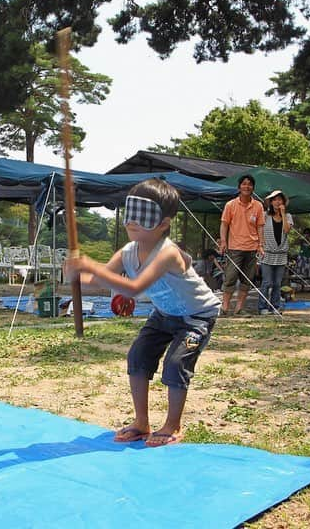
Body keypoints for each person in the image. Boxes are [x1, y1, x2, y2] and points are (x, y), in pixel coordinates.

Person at [65, 178, 220, 447]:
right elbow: (100, 280)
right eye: (130, 213)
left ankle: (172, 425)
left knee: (176, 363)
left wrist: (90, 265)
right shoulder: (128, 252)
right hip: (163, 314)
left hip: (197, 317)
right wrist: (75, 274)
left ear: (164, 223)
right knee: (138, 356)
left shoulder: (168, 253)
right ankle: (141, 422)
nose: (132, 222)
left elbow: (135, 287)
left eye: (143, 215)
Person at [219, 174, 264, 315]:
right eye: (244, 184)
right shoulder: (230, 205)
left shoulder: (258, 206)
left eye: (249, 184)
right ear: (239, 187)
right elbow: (224, 224)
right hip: (234, 247)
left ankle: (239, 308)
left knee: (247, 280)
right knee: (230, 278)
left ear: (253, 188)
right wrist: (223, 241)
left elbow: (260, 227)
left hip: (252, 248)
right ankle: (225, 308)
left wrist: (261, 245)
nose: (246, 186)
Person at [257, 190, 292, 315]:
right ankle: (262, 307)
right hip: (267, 252)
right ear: (271, 202)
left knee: (277, 283)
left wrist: (282, 213)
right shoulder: (264, 215)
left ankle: (275, 306)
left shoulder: (288, 216)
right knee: (267, 282)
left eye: (280, 199)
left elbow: (287, 230)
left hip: (281, 254)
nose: (278, 202)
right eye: (275, 199)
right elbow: (258, 230)